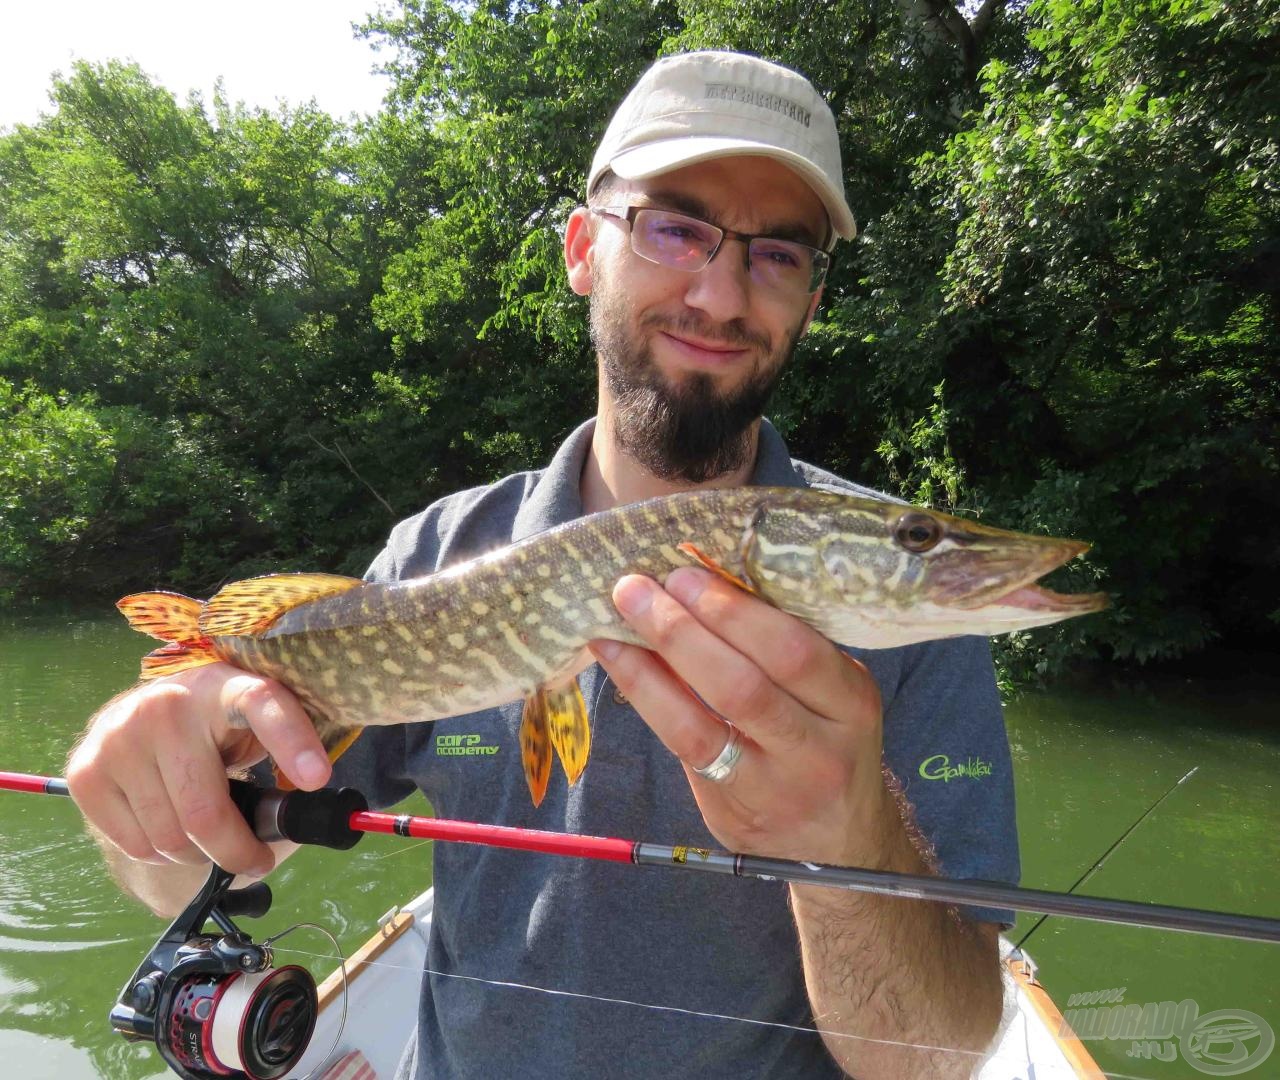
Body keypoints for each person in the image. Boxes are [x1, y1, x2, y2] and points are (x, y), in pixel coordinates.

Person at [68, 51, 1017, 1079]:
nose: (719, 290)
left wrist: (846, 839)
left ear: (809, 302)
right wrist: (150, 787)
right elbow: (203, 870)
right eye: (674, 226)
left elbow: (938, 1056)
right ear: (580, 250)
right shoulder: (437, 555)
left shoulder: (907, 609)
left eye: (777, 254)